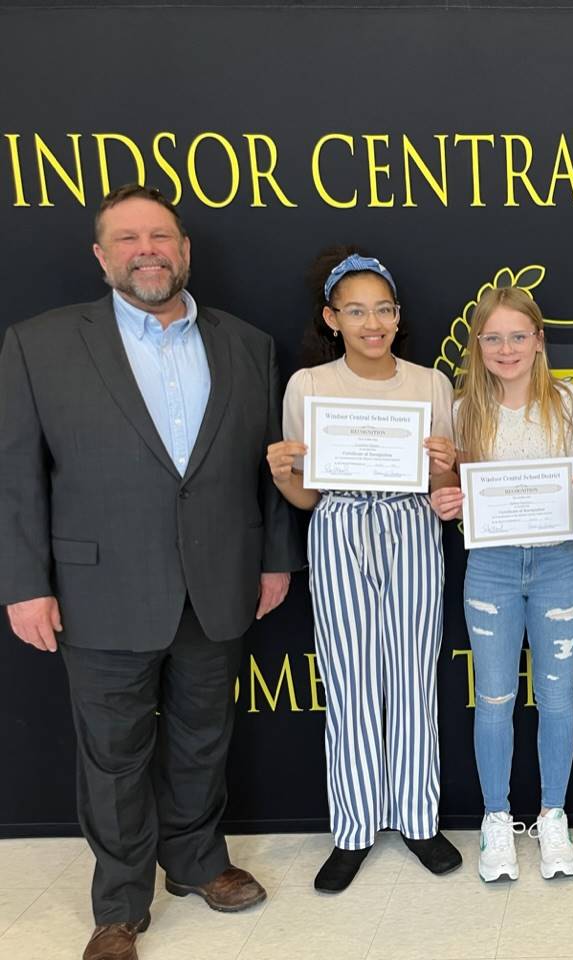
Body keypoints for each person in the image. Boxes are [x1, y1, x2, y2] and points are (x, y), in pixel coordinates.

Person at [0, 185, 304, 960]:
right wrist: (24, 583)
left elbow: (269, 468)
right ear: (101, 257)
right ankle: (120, 904)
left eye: (161, 236)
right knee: (112, 754)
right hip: (98, 588)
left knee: (204, 738)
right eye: (127, 238)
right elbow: (18, 477)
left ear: (185, 251)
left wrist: (273, 561)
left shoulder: (247, 344)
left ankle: (199, 862)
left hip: (219, 582)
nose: (147, 250)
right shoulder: (40, 343)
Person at [265, 249, 463, 892]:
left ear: (398, 316)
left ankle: (416, 817)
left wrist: (442, 466)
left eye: (382, 308)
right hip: (342, 527)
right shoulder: (310, 386)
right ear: (332, 318)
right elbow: (307, 497)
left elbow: (446, 489)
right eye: (356, 310)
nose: (371, 322)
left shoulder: (430, 382)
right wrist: (282, 475)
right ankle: (351, 829)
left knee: (411, 676)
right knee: (350, 678)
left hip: (409, 524)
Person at [431, 286, 573, 882]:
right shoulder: (460, 411)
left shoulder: (571, 403)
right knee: (496, 698)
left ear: (539, 340)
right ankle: (496, 819)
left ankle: (552, 814)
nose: (507, 348)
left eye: (518, 336)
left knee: (558, 697)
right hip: (493, 568)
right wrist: (444, 500)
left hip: (557, 562)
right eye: (494, 338)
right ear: (478, 345)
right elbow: (445, 494)